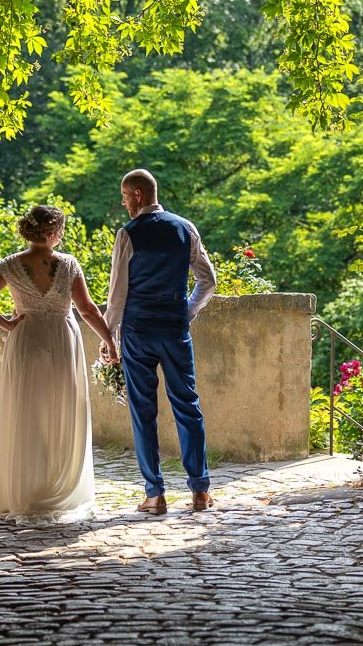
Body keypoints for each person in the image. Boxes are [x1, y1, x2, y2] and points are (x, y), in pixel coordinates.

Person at [0, 205, 118, 523]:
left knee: (26, 412)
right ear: (52, 233)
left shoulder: (11, 264)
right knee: (65, 410)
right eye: (60, 230)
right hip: (63, 340)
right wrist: (109, 341)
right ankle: (59, 486)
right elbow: (88, 310)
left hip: (26, 338)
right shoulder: (68, 264)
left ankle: (24, 490)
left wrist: (8, 325)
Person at [101, 169, 217, 514]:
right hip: (174, 328)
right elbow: (208, 281)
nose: (124, 204)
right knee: (187, 405)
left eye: (125, 197)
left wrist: (109, 336)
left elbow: (117, 295)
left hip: (138, 330)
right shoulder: (185, 228)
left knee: (143, 411)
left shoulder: (128, 233)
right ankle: (200, 491)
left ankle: (155, 495)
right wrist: (186, 312)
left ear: (138, 195)